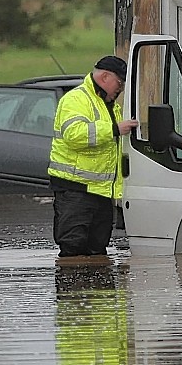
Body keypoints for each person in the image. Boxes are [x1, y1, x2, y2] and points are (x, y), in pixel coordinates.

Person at [48, 55, 139, 259]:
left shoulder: (109, 105)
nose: (121, 88)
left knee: (97, 250)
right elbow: (74, 134)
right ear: (105, 77)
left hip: (101, 192)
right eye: (120, 82)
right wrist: (115, 128)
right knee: (73, 249)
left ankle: (99, 291)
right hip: (75, 190)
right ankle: (73, 289)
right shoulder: (75, 100)